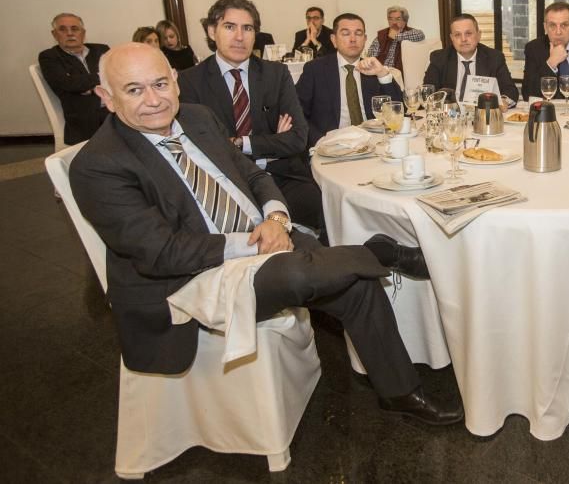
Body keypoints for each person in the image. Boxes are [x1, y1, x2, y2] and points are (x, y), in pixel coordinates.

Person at [69, 43, 462, 425]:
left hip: (264, 235)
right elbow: (161, 253)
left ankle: (398, 392)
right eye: (134, 90)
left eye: (159, 84)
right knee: (300, 271)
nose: (153, 100)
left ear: (175, 80)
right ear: (107, 96)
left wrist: (275, 218)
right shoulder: (100, 164)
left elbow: (253, 173)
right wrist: (254, 242)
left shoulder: (197, 118)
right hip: (190, 279)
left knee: (352, 280)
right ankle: (383, 253)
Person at [178, 0, 324, 232]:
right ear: (212, 31)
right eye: (229, 27)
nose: (239, 37)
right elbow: (203, 148)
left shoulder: (275, 74)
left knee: (326, 211)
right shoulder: (190, 81)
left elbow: (297, 138)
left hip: (282, 176)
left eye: (248, 28)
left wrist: (239, 142)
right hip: (229, 183)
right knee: (261, 232)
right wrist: (274, 141)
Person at [296, 13, 403, 147]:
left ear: (365, 39)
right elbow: (297, 112)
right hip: (331, 146)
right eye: (346, 34)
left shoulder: (373, 68)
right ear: (334, 40)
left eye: (358, 34)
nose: (353, 39)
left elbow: (398, 110)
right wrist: (318, 140)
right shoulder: (315, 70)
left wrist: (382, 74)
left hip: (372, 143)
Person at [38, 12, 110, 145]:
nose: (70, 33)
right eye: (63, 29)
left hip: (112, 108)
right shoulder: (50, 57)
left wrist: (87, 86)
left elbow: (117, 74)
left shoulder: (101, 49)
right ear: (54, 34)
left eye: (75, 29)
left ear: (83, 33)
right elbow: (68, 83)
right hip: (85, 118)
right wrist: (101, 76)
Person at [422, 14, 519, 105]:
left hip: (482, 115)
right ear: (452, 38)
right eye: (457, 35)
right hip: (450, 117)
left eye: (468, 33)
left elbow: (510, 90)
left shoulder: (494, 57)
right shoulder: (439, 58)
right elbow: (427, 92)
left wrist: (503, 101)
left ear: (478, 35)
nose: (463, 39)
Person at [366, 5, 426, 73]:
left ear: (405, 20)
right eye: (390, 19)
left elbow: (420, 35)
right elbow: (371, 56)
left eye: (398, 19)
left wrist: (396, 36)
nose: (394, 22)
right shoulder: (382, 35)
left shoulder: (410, 32)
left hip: (402, 73)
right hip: (382, 72)